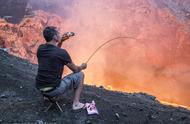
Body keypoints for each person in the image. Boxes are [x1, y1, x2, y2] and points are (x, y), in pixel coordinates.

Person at [36, 26, 87, 110]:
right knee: (80, 74)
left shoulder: (40, 48)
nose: (61, 34)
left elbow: (53, 54)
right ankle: (76, 104)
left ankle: (46, 96)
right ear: (55, 37)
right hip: (54, 90)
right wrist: (82, 66)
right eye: (58, 33)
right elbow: (75, 70)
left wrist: (61, 42)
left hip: (40, 87)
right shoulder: (62, 53)